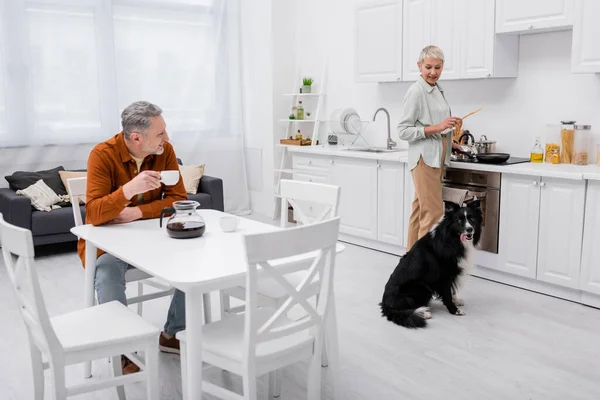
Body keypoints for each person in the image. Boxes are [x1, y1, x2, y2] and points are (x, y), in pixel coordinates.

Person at [77, 101, 188, 374]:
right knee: (106, 272)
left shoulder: (166, 152)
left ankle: (172, 334)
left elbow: (179, 200)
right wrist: (127, 191)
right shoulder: (102, 155)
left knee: (192, 259)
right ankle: (124, 349)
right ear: (137, 138)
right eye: (160, 133)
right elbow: (93, 214)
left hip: (151, 238)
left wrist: (136, 211)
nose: (167, 138)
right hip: (109, 243)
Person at [397, 45, 463, 250]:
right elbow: (403, 130)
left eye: (438, 67)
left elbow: (435, 125)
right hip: (424, 160)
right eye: (428, 67)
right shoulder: (416, 91)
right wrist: (439, 127)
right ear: (419, 66)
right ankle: (424, 265)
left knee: (420, 211)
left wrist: (449, 139)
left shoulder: (437, 89)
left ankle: (410, 260)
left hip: (436, 157)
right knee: (432, 213)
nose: (433, 72)